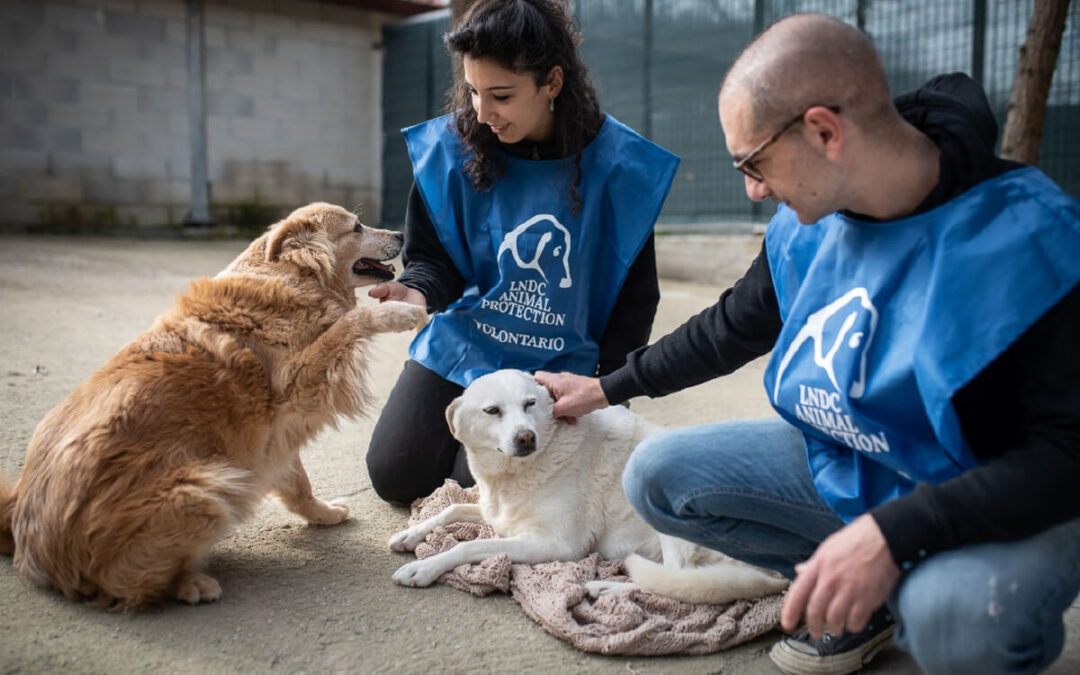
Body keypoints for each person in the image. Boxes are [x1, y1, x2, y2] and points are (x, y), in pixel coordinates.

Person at [535, 13, 1080, 675]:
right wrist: (602, 389)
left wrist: (897, 534)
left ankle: (934, 589)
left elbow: (1067, 453)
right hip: (866, 463)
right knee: (654, 474)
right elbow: (733, 324)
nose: (753, 189)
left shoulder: (1032, 238)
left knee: (958, 623)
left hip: (1000, 493)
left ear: (824, 130)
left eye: (753, 162)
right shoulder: (810, 222)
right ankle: (870, 599)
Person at [365, 0, 679, 505]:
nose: (482, 113)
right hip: (468, 341)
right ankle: (461, 455)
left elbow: (634, 298)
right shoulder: (449, 150)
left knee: (500, 482)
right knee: (395, 476)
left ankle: (469, 464)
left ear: (552, 82)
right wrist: (418, 288)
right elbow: (432, 260)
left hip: (558, 361)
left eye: (502, 95)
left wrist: (608, 391)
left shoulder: (622, 168)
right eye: (472, 91)